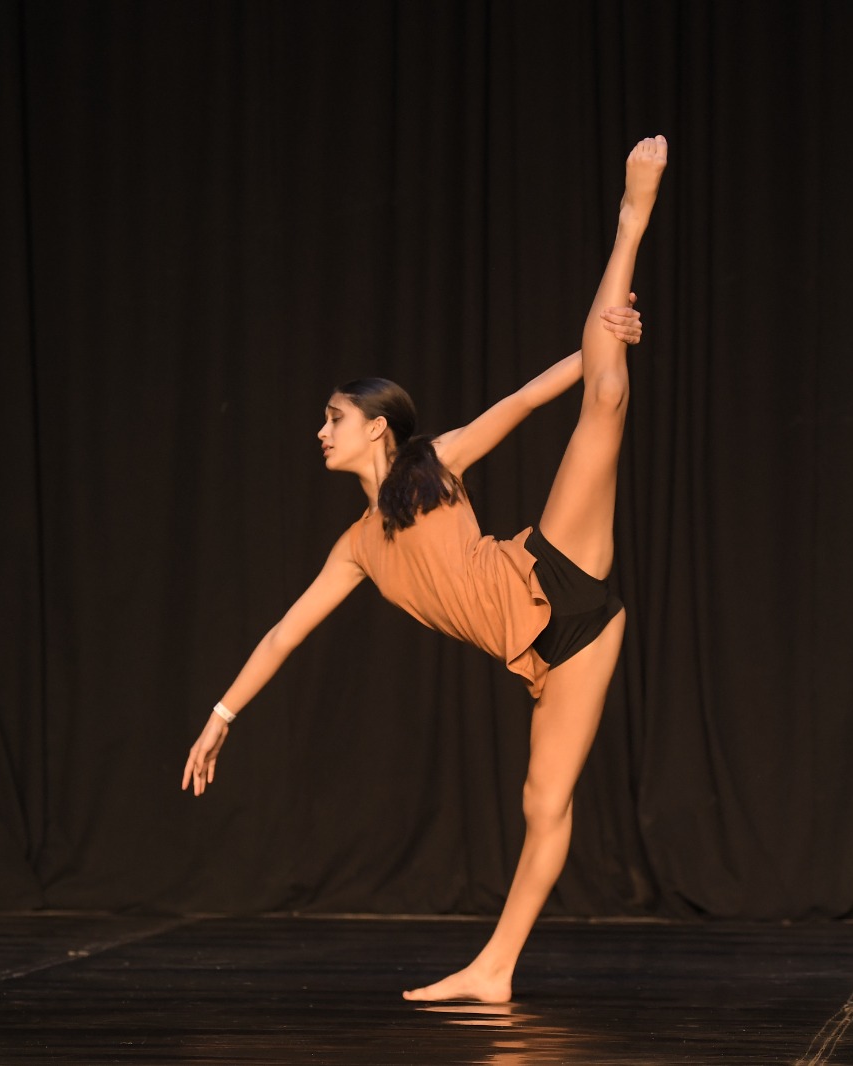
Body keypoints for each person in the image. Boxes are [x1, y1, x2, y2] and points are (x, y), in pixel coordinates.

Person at [183, 135, 668, 1002]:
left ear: (376, 428)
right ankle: (495, 970)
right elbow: (284, 634)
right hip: (558, 653)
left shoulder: (434, 462)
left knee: (605, 395)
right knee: (542, 804)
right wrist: (222, 715)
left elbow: (523, 399)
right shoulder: (356, 547)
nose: (321, 432)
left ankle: (631, 220)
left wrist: (601, 344)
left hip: (554, 573)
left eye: (333, 418)